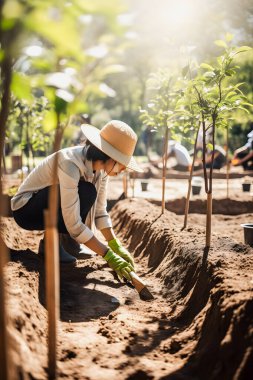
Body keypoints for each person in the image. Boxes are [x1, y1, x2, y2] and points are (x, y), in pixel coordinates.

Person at [11, 120, 142, 282]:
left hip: (46, 207)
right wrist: (108, 255)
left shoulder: (100, 171)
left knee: (88, 192)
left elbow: (100, 211)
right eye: (122, 163)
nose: (123, 170)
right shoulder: (70, 163)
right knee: (85, 191)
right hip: (26, 209)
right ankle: (51, 246)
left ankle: (69, 245)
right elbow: (73, 223)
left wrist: (115, 246)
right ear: (109, 156)